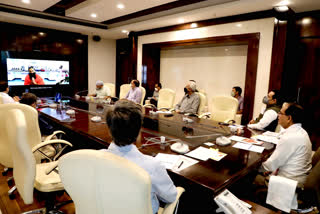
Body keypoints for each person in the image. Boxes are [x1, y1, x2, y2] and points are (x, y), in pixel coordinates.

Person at [102, 100, 177, 213]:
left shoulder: (95, 157)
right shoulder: (152, 166)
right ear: (138, 130)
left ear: (109, 128)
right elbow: (170, 197)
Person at [261, 103, 312, 184]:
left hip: (288, 182)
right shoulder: (301, 132)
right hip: (297, 176)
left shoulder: (290, 137)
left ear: (289, 118)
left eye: (280, 113)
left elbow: (271, 164)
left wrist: (259, 168)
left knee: (252, 177)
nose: (278, 115)